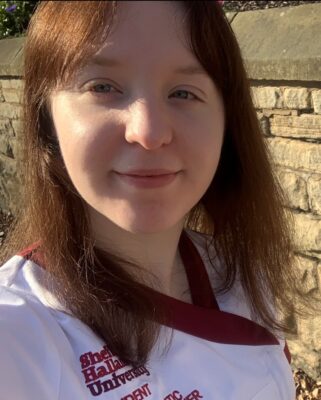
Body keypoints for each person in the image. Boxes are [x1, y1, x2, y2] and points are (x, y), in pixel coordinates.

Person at [0, 1, 316, 399]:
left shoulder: (241, 278)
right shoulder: (17, 334)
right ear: (47, 119)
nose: (148, 131)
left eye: (183, 92)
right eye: (102, 87)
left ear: (227, 122)